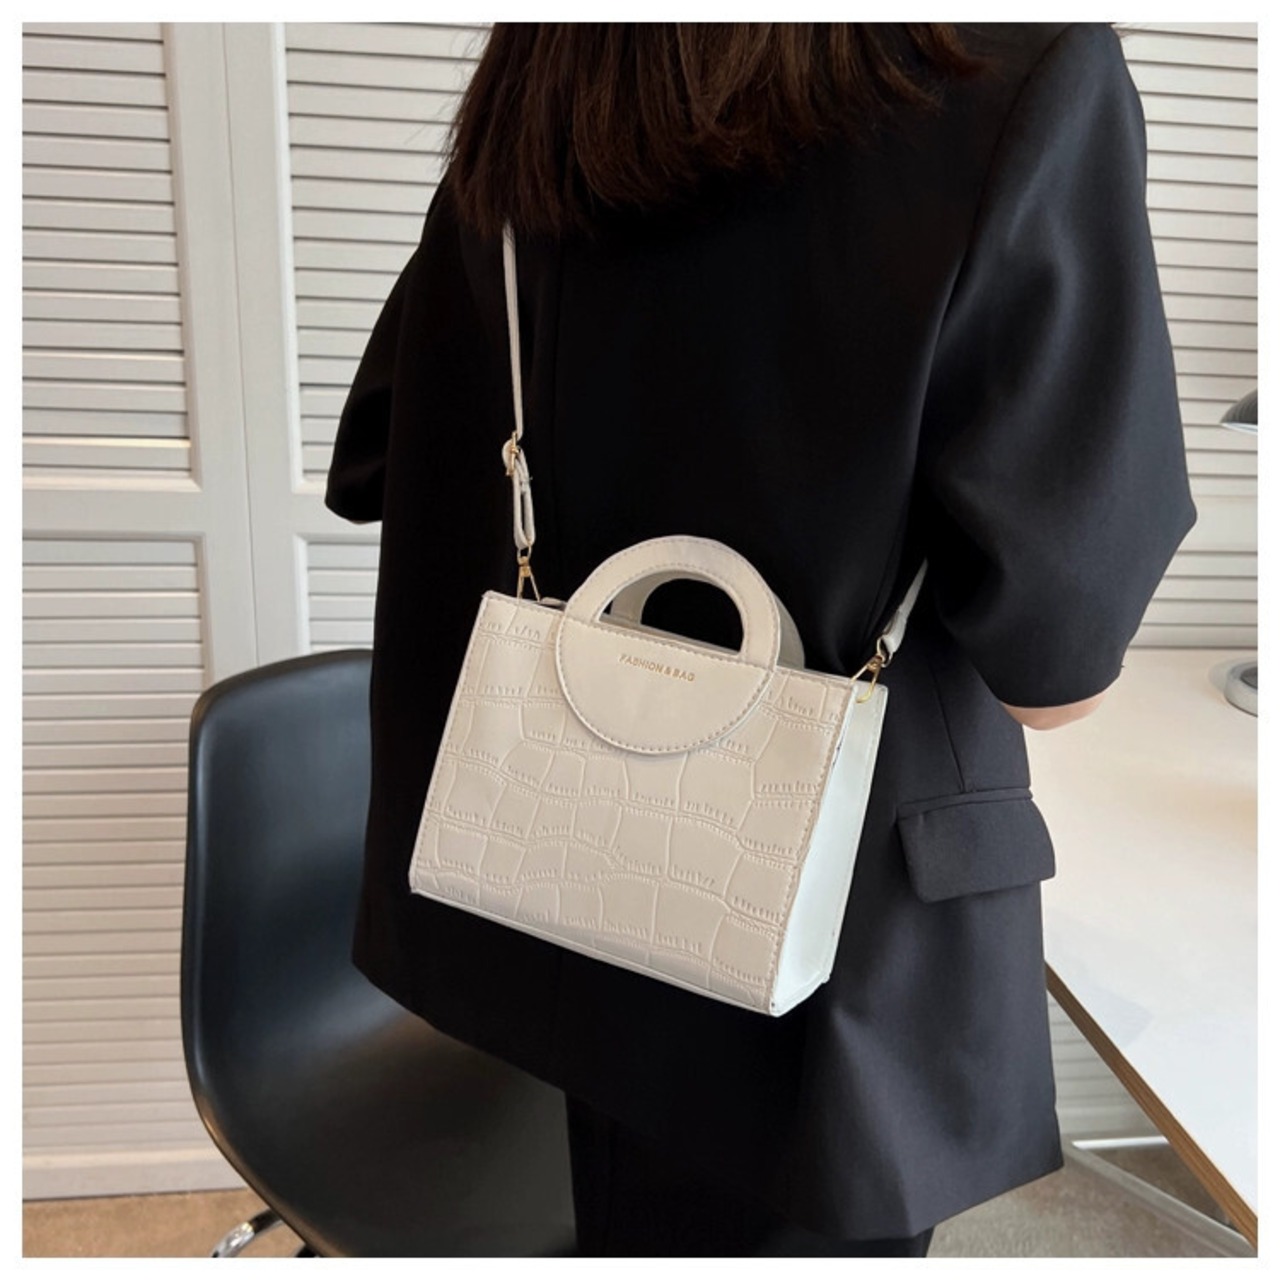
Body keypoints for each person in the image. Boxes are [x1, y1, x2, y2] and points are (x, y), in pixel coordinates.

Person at [324, 22, 1197, 1257]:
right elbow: (1051, 671)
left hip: (553, 913)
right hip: (814, 986)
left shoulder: (550, 70)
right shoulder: (1008, 74)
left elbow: (377, 457)